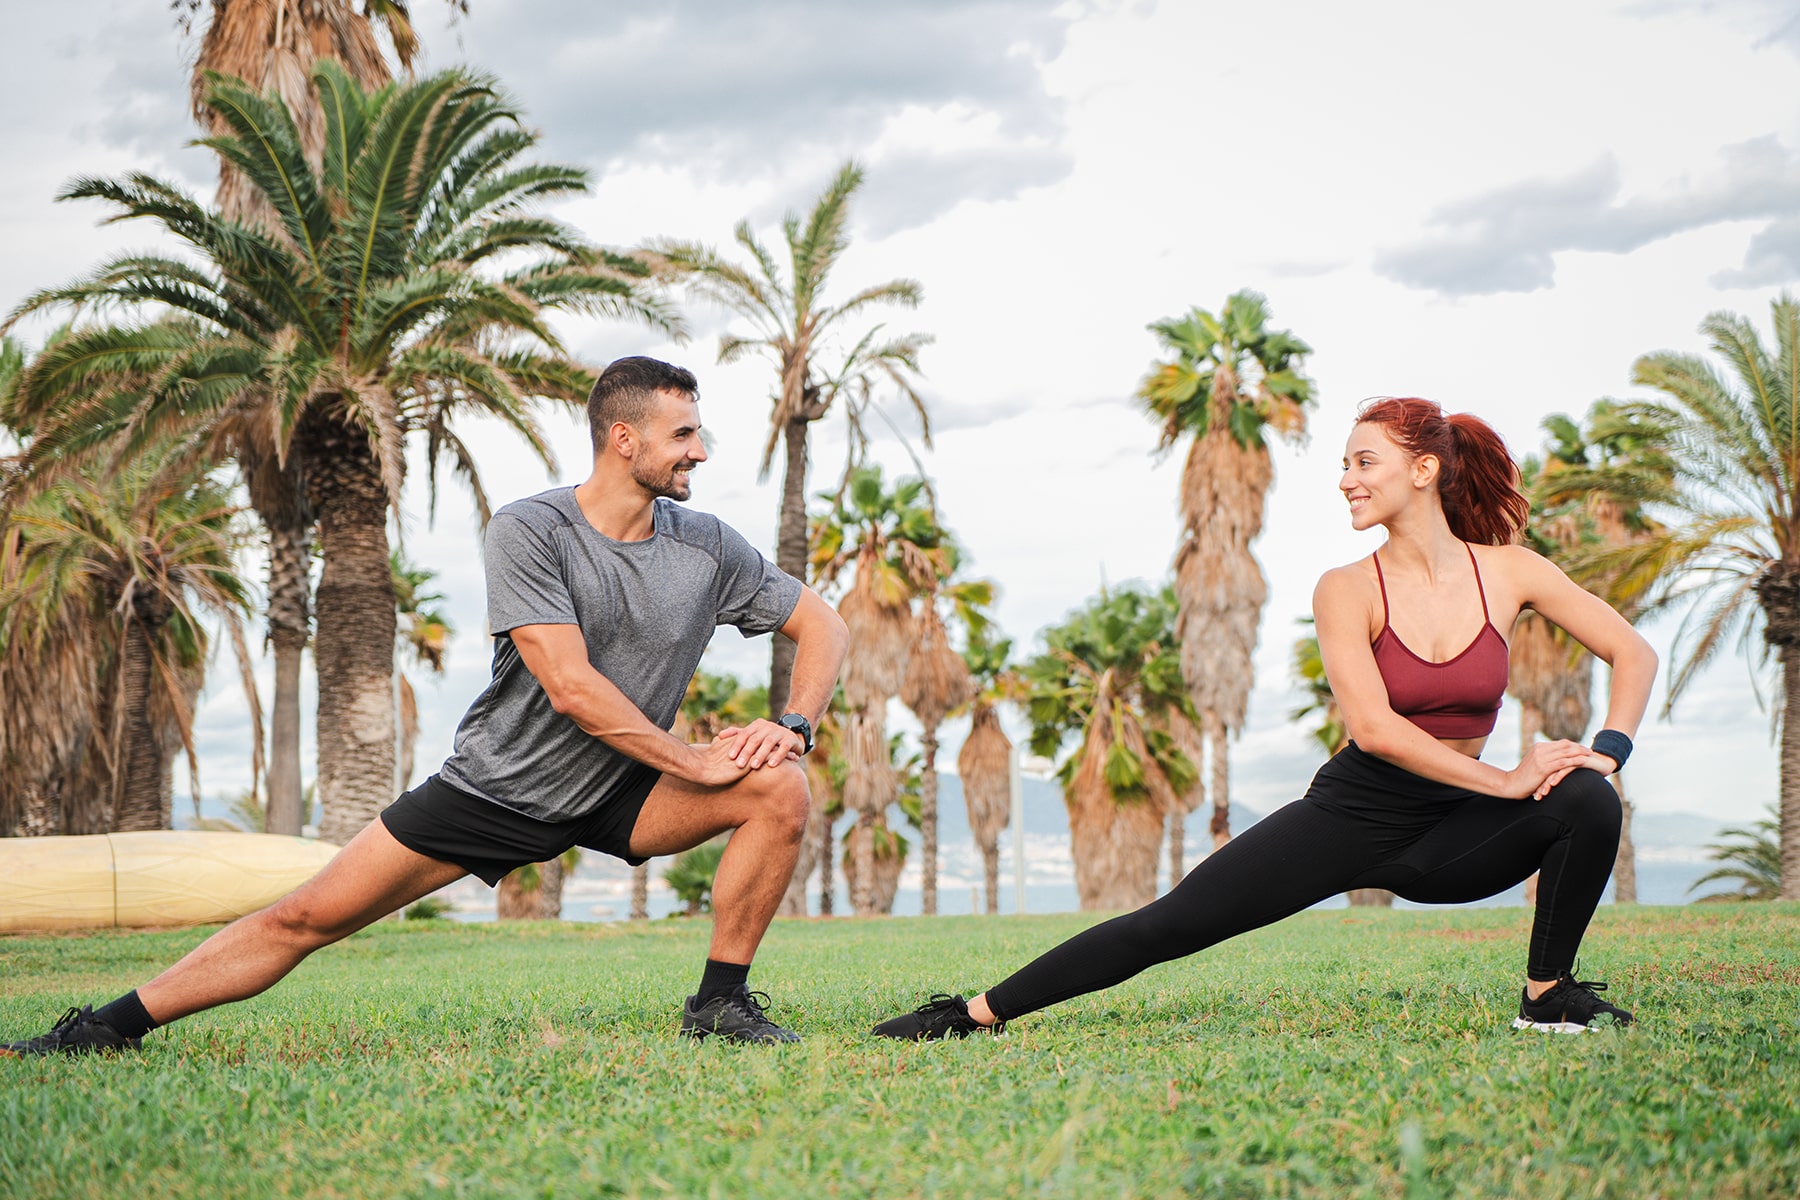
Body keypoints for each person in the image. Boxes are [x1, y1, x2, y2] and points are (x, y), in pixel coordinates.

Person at [5, 356, 849, 1055]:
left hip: (625, 787)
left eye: (698, 433)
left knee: (778, 788)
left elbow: (824, 626)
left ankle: (719, 1004)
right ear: (622, 439)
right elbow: (570, 686)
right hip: (497, 787)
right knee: (307, 916)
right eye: (684, 434)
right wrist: (696, 758)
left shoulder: (707, 546)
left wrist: (792, 726)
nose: (700, 452)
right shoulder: (532, 531)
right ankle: (105, 1028)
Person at [874, 397, 1657, 1041]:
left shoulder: (1511, 571)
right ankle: (972, 1014)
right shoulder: (1345, 587)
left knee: (1587, 799)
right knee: (1169, 926)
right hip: (1355, 811)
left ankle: (1547, 996)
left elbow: (1632, 653)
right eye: (1344, 466)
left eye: (1363, 462)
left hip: (1462, 833)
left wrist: (1607, 752)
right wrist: (1506, 776)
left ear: (1424, 471)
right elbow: (1377, 729)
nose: (1346, 481)